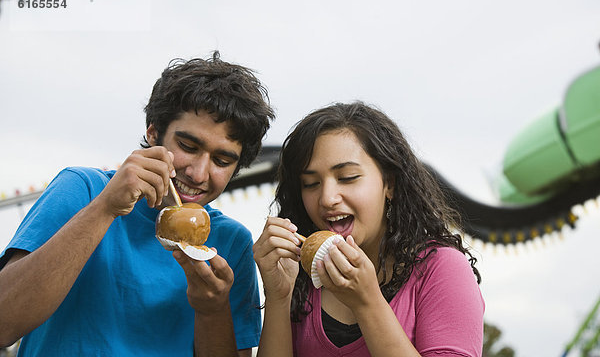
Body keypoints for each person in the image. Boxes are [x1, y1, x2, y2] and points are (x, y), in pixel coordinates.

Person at [0, 51, 275, 357]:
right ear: (153, 132)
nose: (198, 173)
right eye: (187, 146)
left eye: (222, 161)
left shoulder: (231, 243)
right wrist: (105, 209)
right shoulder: (83, 190)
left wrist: (212, 309)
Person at [253, 101, 484, 356]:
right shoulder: (300, 274)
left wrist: (367, 302)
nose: (327, 198)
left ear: (390, 184)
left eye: (348, 178)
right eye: (310, 183)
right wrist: (278, 297)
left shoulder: (440, 268)